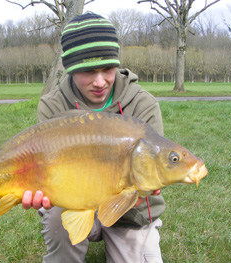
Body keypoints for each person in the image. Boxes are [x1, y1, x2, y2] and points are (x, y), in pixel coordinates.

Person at [22, 12, 165, 263]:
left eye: (107, 69)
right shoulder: (52, 106)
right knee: (56, 217)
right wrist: (36, 186)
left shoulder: (143, 105)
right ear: (70, 69)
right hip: (75, 206)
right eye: (88, 71)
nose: (100, 82)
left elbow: (157, 165)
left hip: (130, 214)